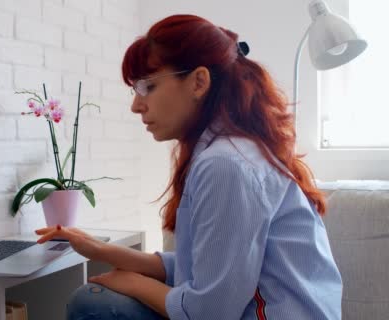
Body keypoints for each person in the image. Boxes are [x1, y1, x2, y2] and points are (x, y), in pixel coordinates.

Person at [36, 14, 342, 320]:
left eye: (148, 86)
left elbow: (210, 311)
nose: (136, 105)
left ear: (198, 82)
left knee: (93, 302)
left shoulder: (225, 165)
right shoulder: (228, 151)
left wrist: (133, 283)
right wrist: (103, 251)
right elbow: (202, 269)